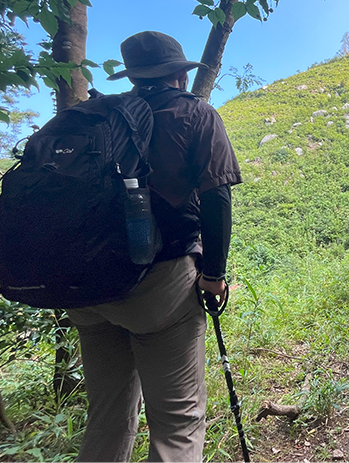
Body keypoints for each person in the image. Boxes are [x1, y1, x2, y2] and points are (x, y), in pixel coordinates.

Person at [66, 31, 242, 462]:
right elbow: (217, 198)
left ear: (134, 77)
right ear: (180, 76)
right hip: (158, 287)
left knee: (106, 416)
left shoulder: (99, 117)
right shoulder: (194, 115)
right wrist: (214, 277)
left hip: (86, 290)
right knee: (178, 423)